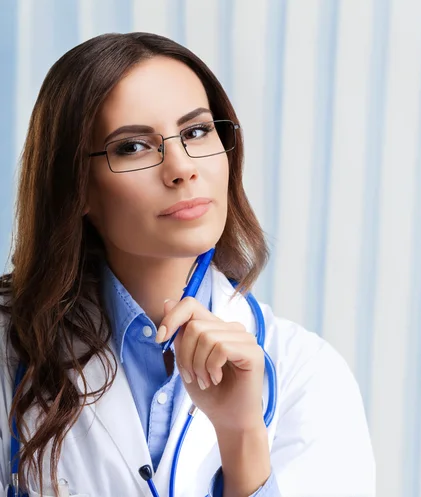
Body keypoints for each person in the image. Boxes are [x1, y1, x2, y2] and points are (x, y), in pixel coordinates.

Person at [0, 32, 375, 497]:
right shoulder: (9, 352)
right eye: (132, 146)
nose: (181, 167)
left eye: (197, 132)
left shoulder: (310, 377)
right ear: (77, 187)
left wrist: (242, 438)